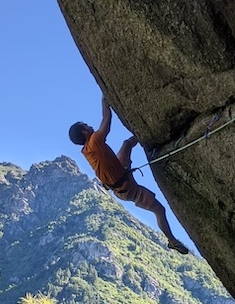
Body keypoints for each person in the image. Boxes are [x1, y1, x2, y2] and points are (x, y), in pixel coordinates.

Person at [69, 96, 189, 254]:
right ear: (85, 132)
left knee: (127, 144)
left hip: (119, 174)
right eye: (86, 125)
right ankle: (172, 241)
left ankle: (144, 135)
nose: (90, 126)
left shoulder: (87, 150)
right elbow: (107, 117)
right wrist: (105, 97)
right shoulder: (94, 142)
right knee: (159, 210)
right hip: (126, 187)